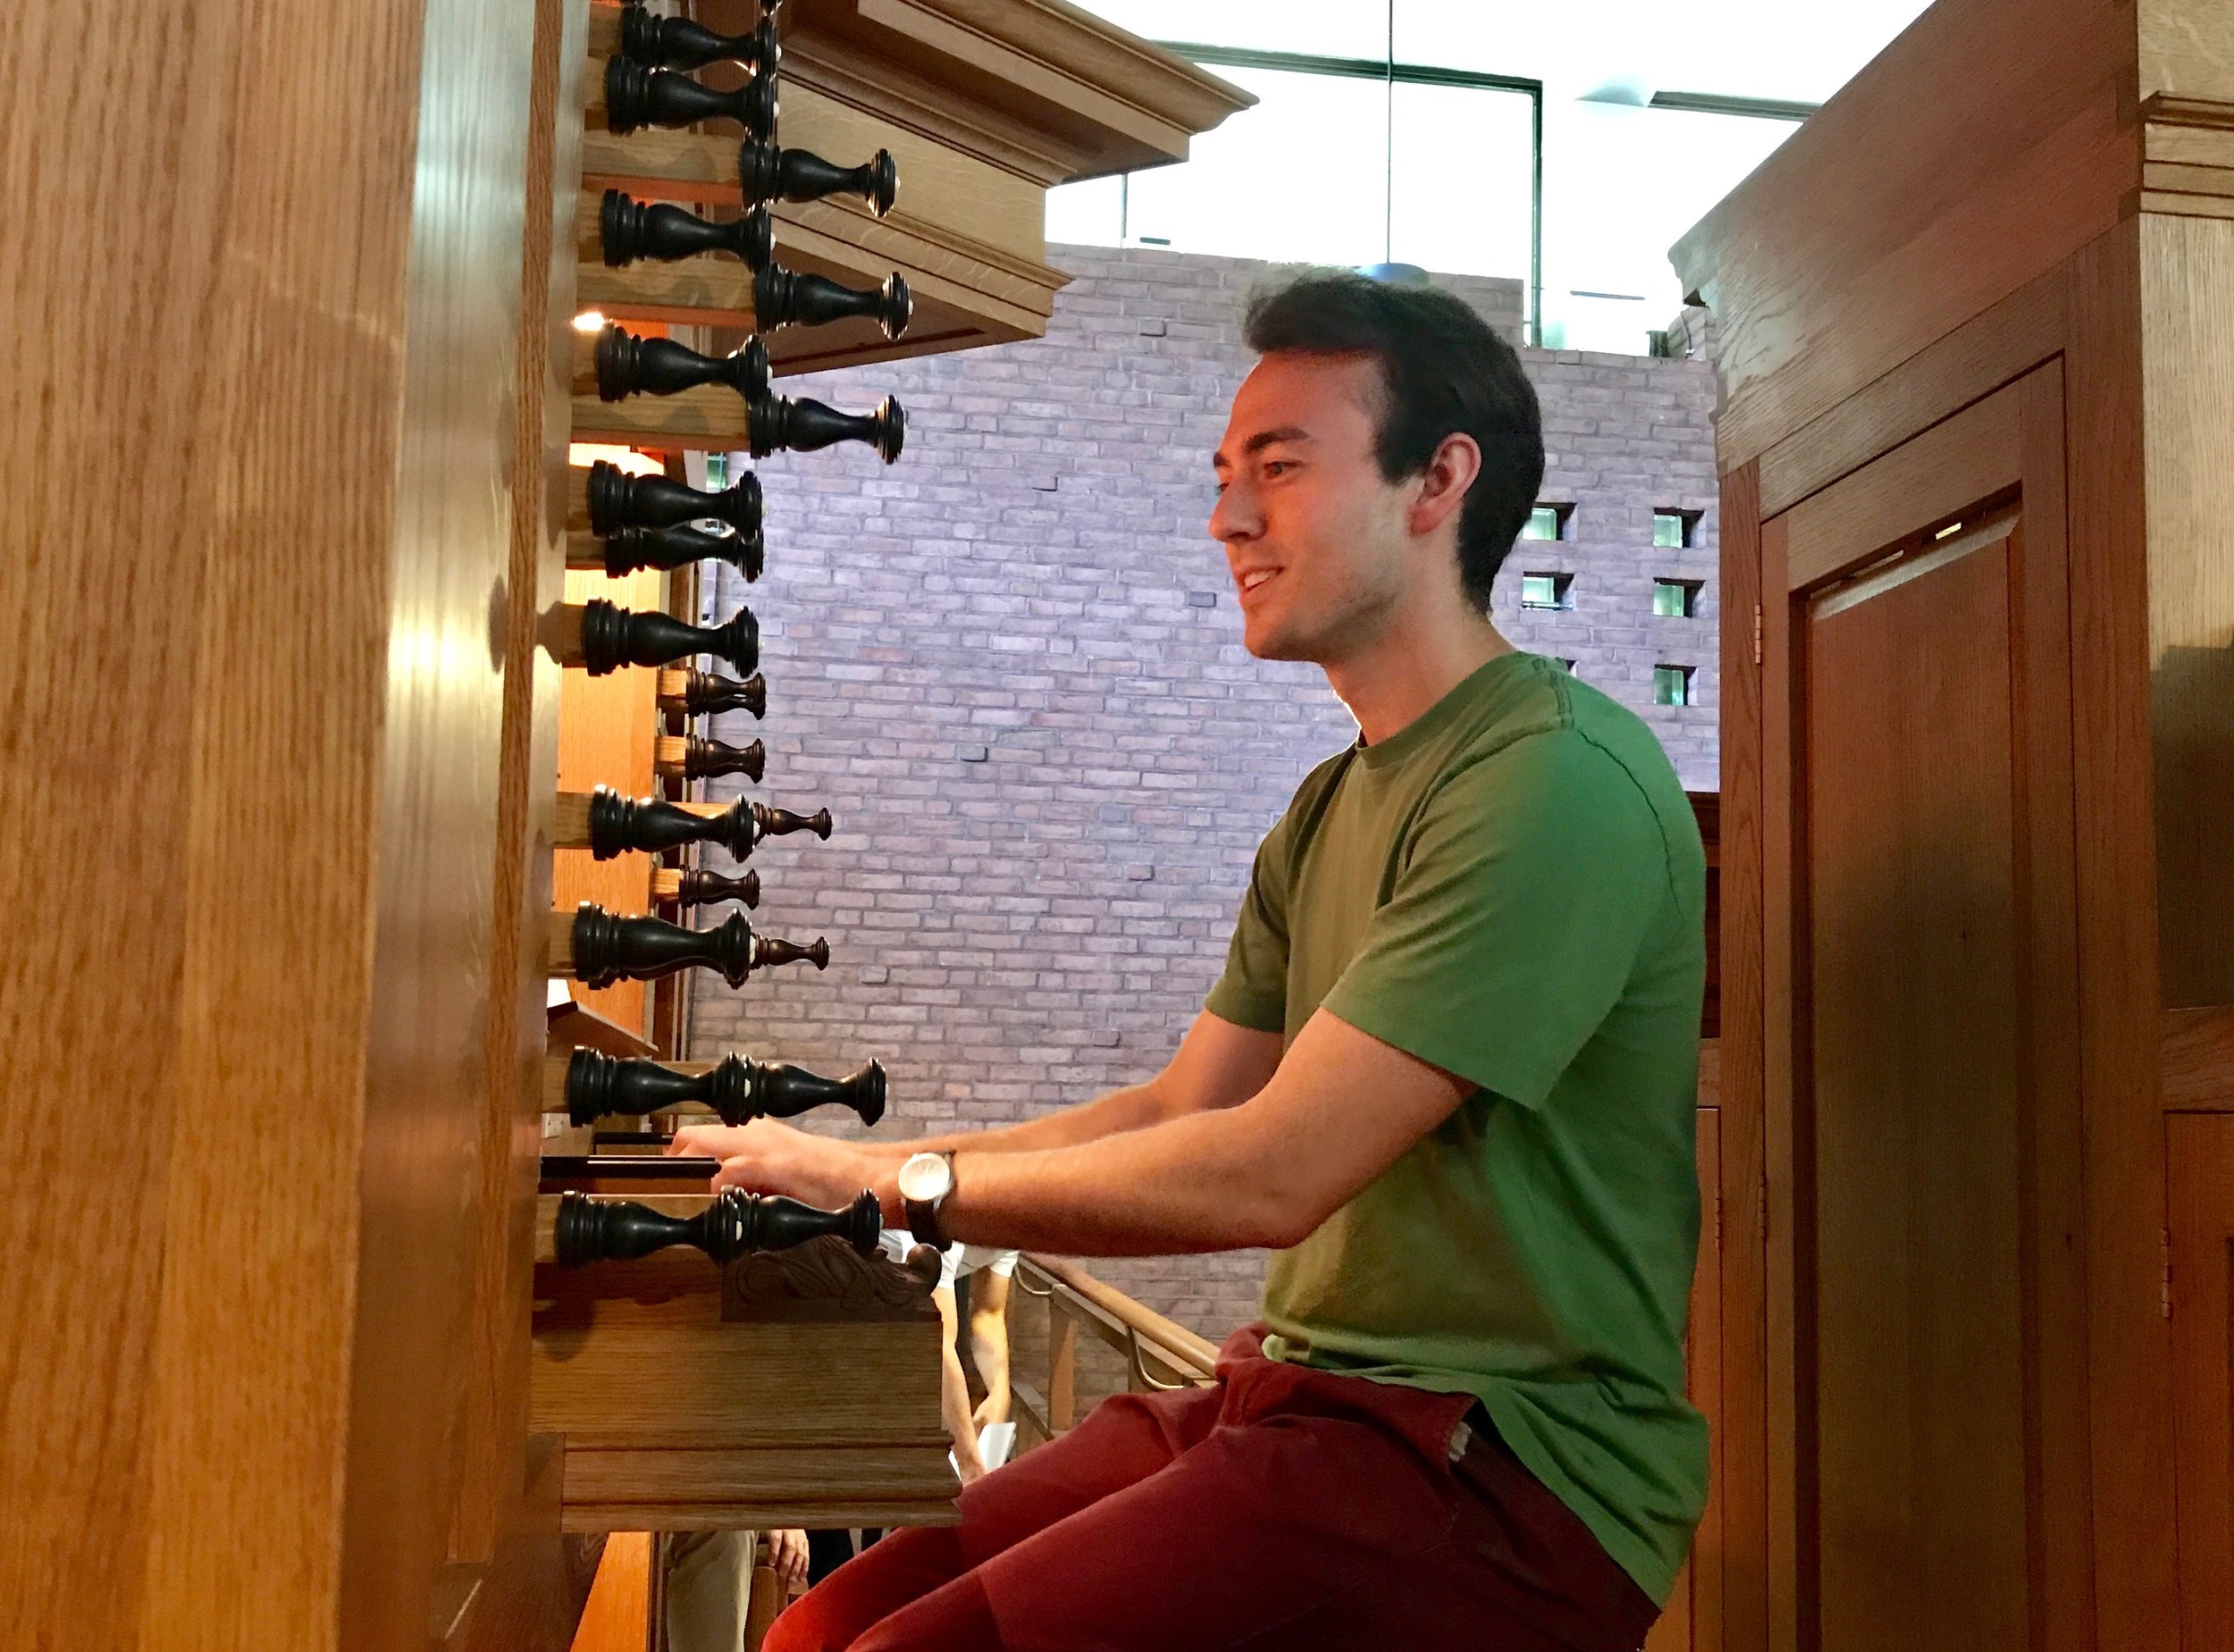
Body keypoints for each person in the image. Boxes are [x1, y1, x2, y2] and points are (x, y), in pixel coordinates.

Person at [675, 270, 1709, 1651]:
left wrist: (904, 1188)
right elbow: (1181, 1110)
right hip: (1302, 1403)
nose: (1229, 517)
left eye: (1278, 469)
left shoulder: (1556, 782)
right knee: (827, 1624)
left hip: (1504, 1469)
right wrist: (862, 1172)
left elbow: (1273, 1170)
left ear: (1437, 480)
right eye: (1227, 474)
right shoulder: (1329, 808)